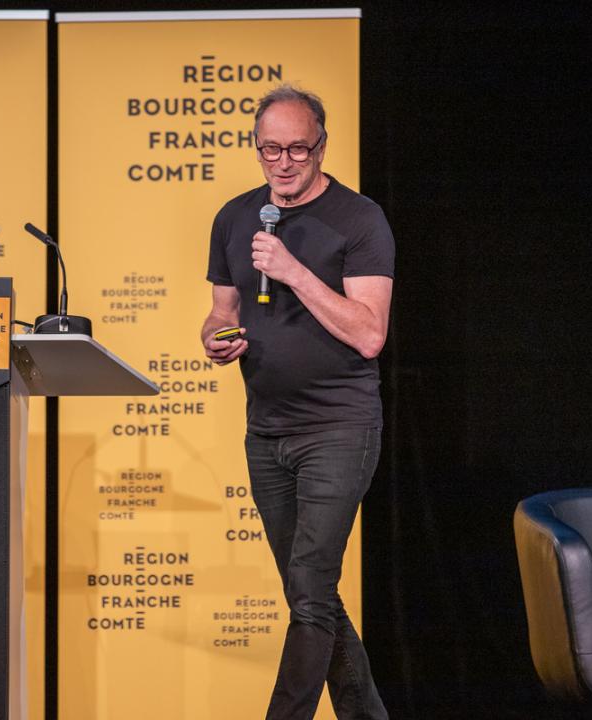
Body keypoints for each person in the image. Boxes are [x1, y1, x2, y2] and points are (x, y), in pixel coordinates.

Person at [201, 85, 394, 720]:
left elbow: (370, 333)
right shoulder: (235, 218)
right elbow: (220, 312)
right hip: (266, 433)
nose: (283, 163)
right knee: (311, 596)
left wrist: (292, 270)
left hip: (339, 429)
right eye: (270, 150)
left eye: (297, 150)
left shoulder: (359, 220)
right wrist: (216, 338)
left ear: (321, 147)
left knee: (311, 592)